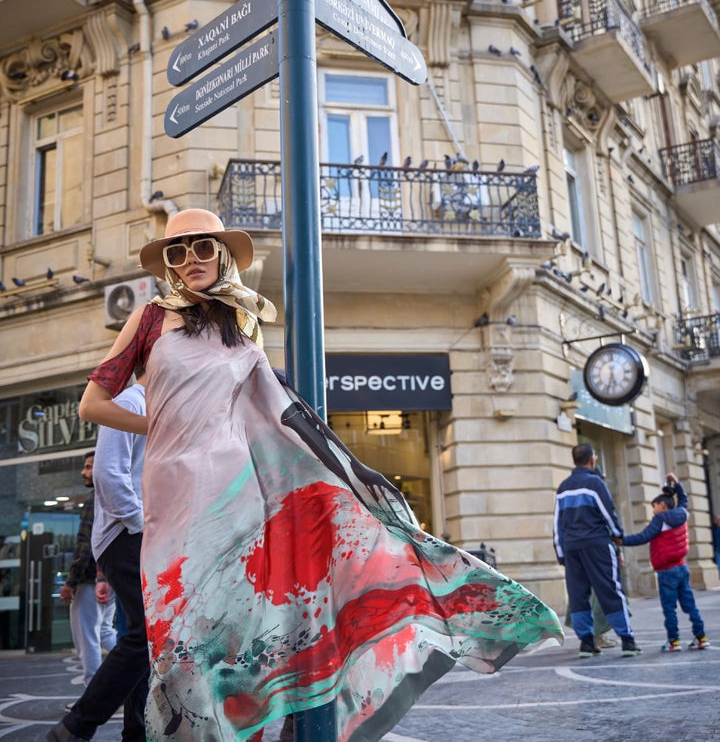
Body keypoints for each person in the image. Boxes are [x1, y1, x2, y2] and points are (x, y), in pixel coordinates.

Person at [63, 208, 562, 742]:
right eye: (177, 251)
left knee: (238, 629)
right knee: (178, 631)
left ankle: (263, 726)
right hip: (173, 491)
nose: (190, 260)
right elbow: (92, 404)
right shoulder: (151, 319)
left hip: (236, 493)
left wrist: (348, 467)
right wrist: (159, 423)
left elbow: (277, 409)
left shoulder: (243, 324)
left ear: (223, 253)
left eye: (202, 247)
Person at [48, 377, 148, 742]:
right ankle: (78, 726)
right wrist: (143, 525)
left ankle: (134, 730)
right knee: (142, 635)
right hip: (129, 537)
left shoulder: (160, 404)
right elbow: (109, 474)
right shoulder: (131, 401)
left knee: (148, 640)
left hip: (143, 537)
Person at [554, 442, 640, 658]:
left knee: (578, 595)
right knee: (610, 589)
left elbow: (557, 523)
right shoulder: (595, 484)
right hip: (597, 544)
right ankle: (627, 641)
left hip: (572, 548)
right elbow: (608, 513)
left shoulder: (563, 487)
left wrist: (561, 553)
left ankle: (587, 644)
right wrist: (618, 535)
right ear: (592, 459)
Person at [618, 473, 709, 652]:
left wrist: (623, 541)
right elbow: (684, 500)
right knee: (690, 605)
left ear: (662, 505)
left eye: (654, 506)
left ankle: (673, 641)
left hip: (666, 571)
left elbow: (643, 536)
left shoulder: (661, 520)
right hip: (682, 567)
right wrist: (678, 484)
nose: (653, 510)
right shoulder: (682, 513)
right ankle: (701, 637)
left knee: (669, 608)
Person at [59, 453, 117, 690]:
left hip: (90, 580)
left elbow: (86, 544)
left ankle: (92, 693)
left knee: (87, 638)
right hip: (109, 578)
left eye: (88, 467)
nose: (83, 472)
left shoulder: (96, 499)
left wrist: (70, 582)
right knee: (104, 631)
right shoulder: (111, 496)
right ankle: (138, 675)